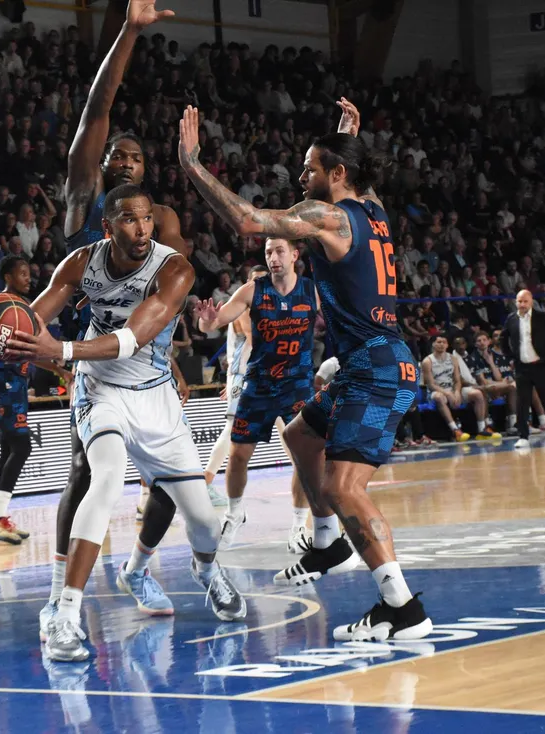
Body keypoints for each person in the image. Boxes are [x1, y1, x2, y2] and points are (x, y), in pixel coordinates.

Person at [179, 100, 432, 641]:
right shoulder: (375, 210)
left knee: (345, 490)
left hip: (376, 370)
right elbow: (354, 180)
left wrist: (194, 167)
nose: (300, 175)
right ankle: (326, 542)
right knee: (299, 433)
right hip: (368, 365)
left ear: (336, 174)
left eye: (311, 167)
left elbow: (249, 220)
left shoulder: (328, 217)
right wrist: (344, 140)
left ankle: (402, 607)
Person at [0, 184, 246, 662]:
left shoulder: (175, 269)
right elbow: (33, 316)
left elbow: (136, 335)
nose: (143, 228)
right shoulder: (82, 262)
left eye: (148, 218)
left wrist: (61, 350)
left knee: (205, 524)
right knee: (104, 481)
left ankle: (207, 570)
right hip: (100, 389)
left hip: (156, 398)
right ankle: (66, 614)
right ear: (108, 228)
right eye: (130, 219)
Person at [46, 0, 198, 635]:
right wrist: (131, 32)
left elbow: (170, 298)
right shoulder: (84, 193)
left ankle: (139, 564)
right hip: (91, 349)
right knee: (88, 474)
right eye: (119, 154)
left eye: (137, 156)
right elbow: (98, 109)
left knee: (172, 473)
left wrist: (176, 359)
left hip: (151, 353)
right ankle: (60, 594)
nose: (127, 157)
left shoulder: (159, 225)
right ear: (102, 164)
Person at [194, 242, 316, 553]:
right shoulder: (251, 291)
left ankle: (299, 526)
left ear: (294, 255)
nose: (273, 258)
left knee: (303, 459)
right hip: (259, 384)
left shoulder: (312, 290)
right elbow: (212, 323)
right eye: (268, 253)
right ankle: (235, 515)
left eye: (279, 252)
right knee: (236, 456)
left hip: (297, 386)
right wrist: (206, 319)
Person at [0, 256, 72, 545]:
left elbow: (30, 352)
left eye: (29, 272)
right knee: (21, 445)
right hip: (0, 383)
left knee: (8, 449)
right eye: (22, 273)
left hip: (17, 383)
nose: (29, 277)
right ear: (7, 275)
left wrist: (58, 369)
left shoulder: (24, 310)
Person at [202, 265, 263, 494]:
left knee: (286, 425)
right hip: (245, 375)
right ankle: (205, 482)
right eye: (255, 280)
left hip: (255, 375)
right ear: (247, 282)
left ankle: (307, 477)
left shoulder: (259, 306)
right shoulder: (246, 307)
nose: (259, 286)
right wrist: (236, 383)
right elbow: (256, 342)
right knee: (232, 430)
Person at [502, 290, 545, 449]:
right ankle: (523, 436)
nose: (522, 304)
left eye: (525, 301)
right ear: (516, 302)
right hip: (522, 367)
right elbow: (503, 338)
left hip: (541, 365)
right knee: (522, 402)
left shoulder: (542, 317)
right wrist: (510, 357)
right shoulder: (511, 319)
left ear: (531, 302)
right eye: (519, 301)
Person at [421, 334, 500, 441]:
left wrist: (457, 392)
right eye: (438, 342)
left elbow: (457, 381)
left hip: (453, 389)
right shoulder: (427, 361)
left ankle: (482, 429)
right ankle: (455, 430)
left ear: (447, 345)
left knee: (477, 393)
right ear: (433, 344)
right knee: (439, 397)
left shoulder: (453, 359)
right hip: (437, 391)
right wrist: (448, 393)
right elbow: (431, 385)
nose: (441, 344)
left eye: (444, 342)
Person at [466, 331, 518, 432]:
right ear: (475, 344)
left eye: (484, 340)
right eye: (479, 341)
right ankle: (485, 426)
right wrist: (500, 384)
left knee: (512, 388)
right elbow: (483, 382)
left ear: (489, 341)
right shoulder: (473, 357)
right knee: (492, 388)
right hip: (482, 388)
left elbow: (498, 377)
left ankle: (513, 424)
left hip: (496, 386)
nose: (482, 342)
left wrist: (491, 363)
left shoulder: (494, 355)